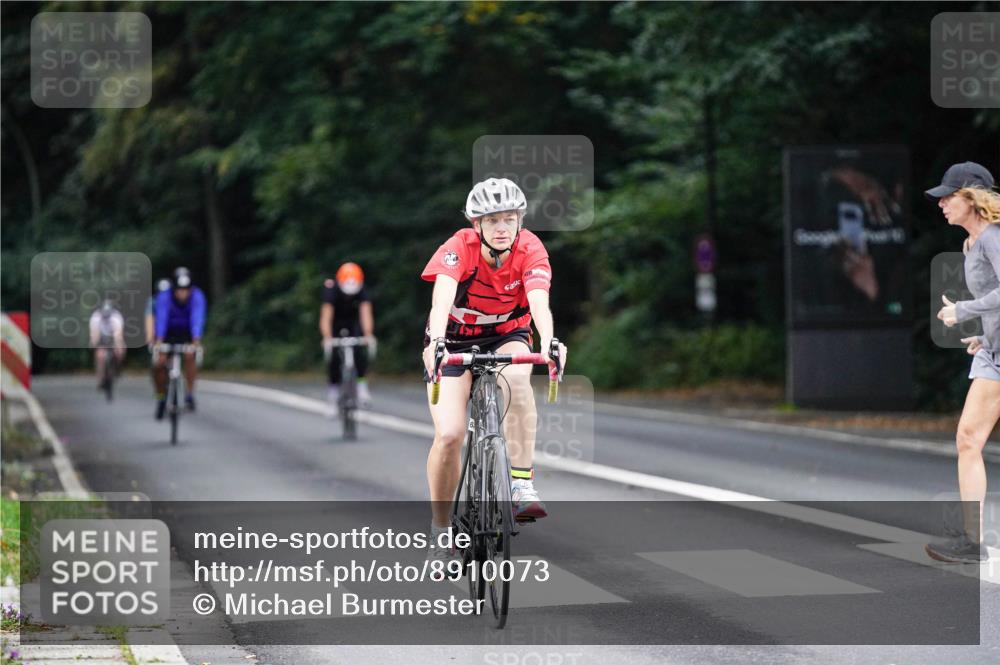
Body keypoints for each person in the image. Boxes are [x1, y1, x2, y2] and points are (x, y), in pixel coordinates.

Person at [420, 177, 567, 567]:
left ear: (520, 221)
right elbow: (441, 299)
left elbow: (539, 301)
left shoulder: (530, 248)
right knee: (450, 434)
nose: (502, 228)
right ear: (477, 225)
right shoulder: (458, 248)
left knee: (519, 377)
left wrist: (549, 342)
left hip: (507, 333)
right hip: (454, 338)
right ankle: (441, 532)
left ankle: (520, 482)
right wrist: (436, 342)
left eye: (509, 219)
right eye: (492, 221)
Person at [928, 161, 1000, 563]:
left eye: (948, 196)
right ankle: (973, 542)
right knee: (967, 439)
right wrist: (983, 333)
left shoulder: (993, 238)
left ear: (971, 197)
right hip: (994, 352)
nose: (941, 204)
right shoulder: (970, 244)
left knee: (969, 440)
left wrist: (964, 310)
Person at [320, 262, 376, 413]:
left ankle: (362, 386)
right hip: (336, 324)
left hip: (353, 324)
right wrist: (327, 337)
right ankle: (333, 393)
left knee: (359, 351)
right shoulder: (331, 290)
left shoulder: (362, 289)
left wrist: (368, 334)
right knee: (334, 358)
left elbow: (365, 313)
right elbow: (326, 317)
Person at [153, 267, 207, 418]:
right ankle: (161, 397)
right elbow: (161, 318)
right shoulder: (164, 297)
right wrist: (159, 340)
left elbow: (198, 317)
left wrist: (196, 340)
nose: (182, 293)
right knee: (160, 363)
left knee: (190, 355)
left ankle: (189, 394)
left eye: (186, 290)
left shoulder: (197, 296)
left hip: (187, 334)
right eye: (179, 290)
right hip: (168, 333)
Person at [89, 299, 125, 390]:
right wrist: (94, 343)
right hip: (101, 337)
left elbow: (118, 335)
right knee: (100, 356)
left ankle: (117, 368)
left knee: (120, 351)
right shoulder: (96, 317)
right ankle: (100, 379)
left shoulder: (117, 317)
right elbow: (95, 334)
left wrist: (118, 346)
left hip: (113, 337)